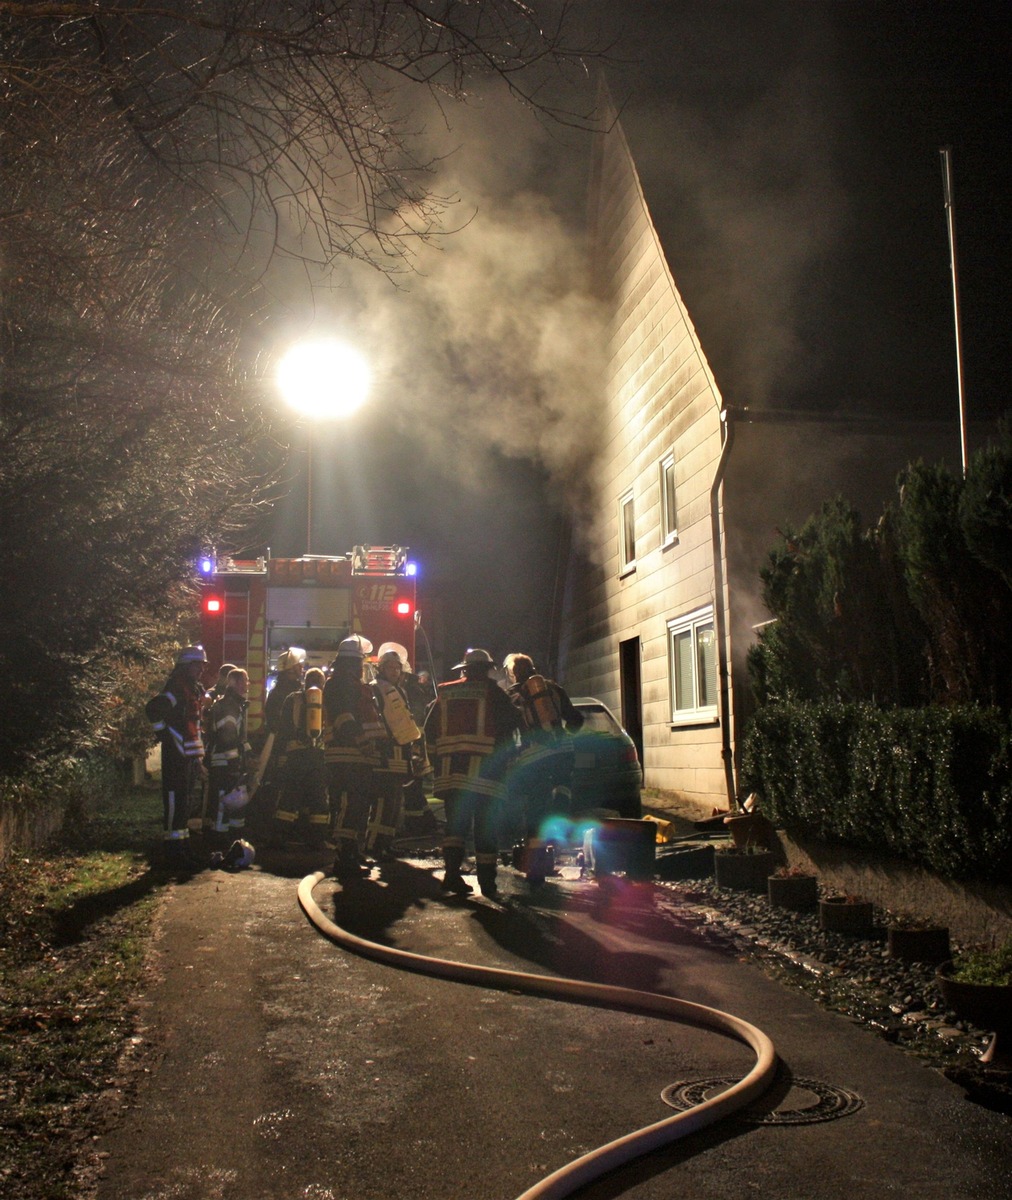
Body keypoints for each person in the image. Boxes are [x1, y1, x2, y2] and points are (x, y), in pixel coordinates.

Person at [424, 648, 520, 898]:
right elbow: (514, 724)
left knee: (455, 828)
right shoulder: (495, 694)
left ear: (464, 669)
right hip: (487, 775)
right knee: (485, 830)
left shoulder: (446, 692)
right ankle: (487, 885)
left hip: (451, 774)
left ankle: (452, 876)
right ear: (487, 669)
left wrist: (436, 759)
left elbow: (429, 729)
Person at [503, 652, 585, 887]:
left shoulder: (513, 696)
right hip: (563, 753)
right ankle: (560, 806)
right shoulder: (553, 689)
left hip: (533, 758)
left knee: (535, 812)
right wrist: (563, 737)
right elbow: (576, 720)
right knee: (561, 792)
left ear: (513, 674)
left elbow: (509, 732)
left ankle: (536, 870)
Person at [145, 645, 209, 868]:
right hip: (175, 758)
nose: (201, 669)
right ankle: (173, 852)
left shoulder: (193, 689)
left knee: (184, 804)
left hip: (189, 758)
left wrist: (198, 759)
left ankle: (183, 849)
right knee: (174, 804)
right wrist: (165, 735)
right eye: (197, 665)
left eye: (202, 665)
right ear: (186, 666)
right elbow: (153, 710)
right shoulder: (176, 688)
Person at [323, 635, 379, 879]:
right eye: (359, 662)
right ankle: (344, 856)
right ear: (352, 663)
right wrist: (362, 742)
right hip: (347, 753)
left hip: (357, 755)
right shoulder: (340, 684)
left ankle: (352, 850)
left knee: (358, 805)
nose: (361, 667)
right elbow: (345, 718)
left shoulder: (349, 683)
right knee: (349, 804)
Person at [367, 644, 424, 861]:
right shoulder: (375, 688)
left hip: (400, 752)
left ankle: (386, 844)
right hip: (385, 753)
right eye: (390, 668)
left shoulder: (398, 690)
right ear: (381, 669)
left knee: (394, 801)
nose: (395, 672)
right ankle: (373, 844)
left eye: (397, 668)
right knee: (383, 801)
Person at [248, 647, 306, 834]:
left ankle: (283, 828)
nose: (302, 669)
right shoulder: (287, 693)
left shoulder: (282, 691)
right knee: (284, 788)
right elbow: (279, 724)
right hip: (284, 748)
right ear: (291, 669)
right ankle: (278, 829)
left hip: (287, 747)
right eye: (299, 666)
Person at [272, 667, 330, 849]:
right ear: (323, 682)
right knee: (318, 798)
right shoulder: (325, 699)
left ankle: (280, 836)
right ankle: (317, 839)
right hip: (318, 756)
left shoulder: (293, 699)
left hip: (295, 756)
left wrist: (281, 755)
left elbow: (283, 728)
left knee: (290, 796)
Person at [205, 668, 252, 848]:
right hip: (223, 763)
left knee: (236, 803)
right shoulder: (228, 706)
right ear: (236, 683)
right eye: (245, 680)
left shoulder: (236, 704)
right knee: (223, 803)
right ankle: (218, 842)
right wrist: (236, 762)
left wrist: (248, 755)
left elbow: (241, 739)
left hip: (231, 763)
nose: (248, 684)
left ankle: (234, 841)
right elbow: (227, 738)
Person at [200, 662, 237, 833]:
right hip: (214, 748)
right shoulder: (213, 695)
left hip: (218, 749)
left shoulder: (228, 697)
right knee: (213, 790)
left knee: (217, 790)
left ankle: (211, 823)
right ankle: (209, 825)